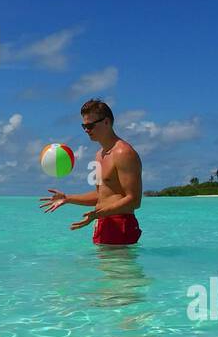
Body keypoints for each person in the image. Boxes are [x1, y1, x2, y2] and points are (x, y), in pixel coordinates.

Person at [38, 99, 143, 245]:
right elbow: (100, 195)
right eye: (84, 126)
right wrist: (68, 198)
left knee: (118, 269)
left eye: (90, 125)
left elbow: (134, 200)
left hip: (121, 223)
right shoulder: (98, 155)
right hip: (102, 222)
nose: (87, 130)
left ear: (106, 122)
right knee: (104, 267)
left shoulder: (123, 152)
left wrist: (97, 214)